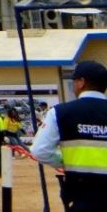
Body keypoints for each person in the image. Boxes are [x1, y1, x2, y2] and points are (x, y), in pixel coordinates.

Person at [30, 58, 107, 212]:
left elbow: (39, 151)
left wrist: (64, 162)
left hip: (82, 197)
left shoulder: (60, 112)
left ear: (81, 82)